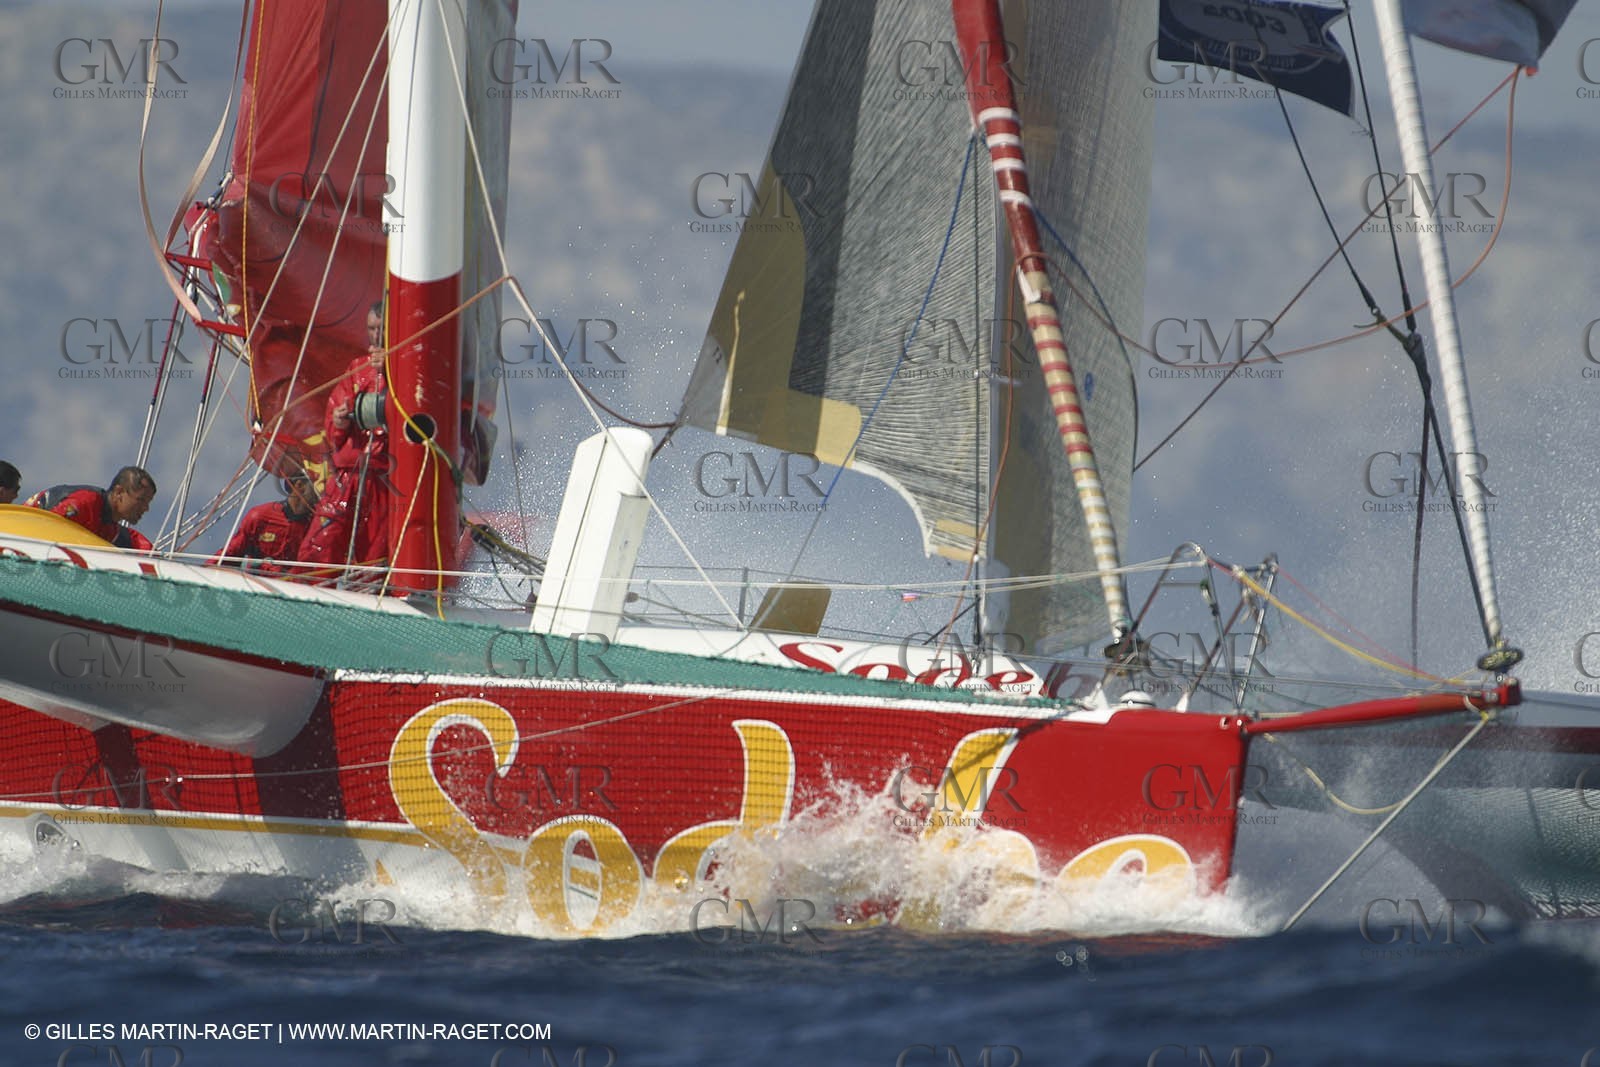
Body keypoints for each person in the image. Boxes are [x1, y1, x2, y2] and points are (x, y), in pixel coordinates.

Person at [299, 300, 391, 571]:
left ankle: (371, 599)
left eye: (381, 328)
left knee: (374, 552)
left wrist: (391, 370)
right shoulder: (357, 368)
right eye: (371, 329)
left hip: (385, 478)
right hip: (348, 475)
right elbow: (333, 430)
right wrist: (338, 420)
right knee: (322, 541)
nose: (376, 335)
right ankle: (309, 587)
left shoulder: (408, 369)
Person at [211, 472, 317, 576]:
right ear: (299, 485)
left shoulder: (319, 525)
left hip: (296, 589)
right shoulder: (260, 516)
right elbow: (229, 555)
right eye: (318, 488)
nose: (321, 495)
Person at [43, 466, 157, 550]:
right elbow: (50, 528)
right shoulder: (85, 503)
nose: (146, 508)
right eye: (141, 500)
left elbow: (136, 542)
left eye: (148, 502)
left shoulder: (110, 528)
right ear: (119, 492)